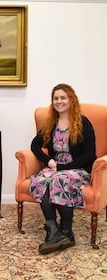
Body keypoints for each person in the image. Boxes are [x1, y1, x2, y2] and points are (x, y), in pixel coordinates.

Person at [29, 83, 96, 255]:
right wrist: (49, 161)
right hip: (56, 167)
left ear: (71, 100)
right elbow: (35, 145)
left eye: (63, 98)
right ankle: (54, 231)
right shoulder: (52, 123)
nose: (59, 101)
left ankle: (66, 231)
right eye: (56, 98)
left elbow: (89, 154)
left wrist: (64, 167)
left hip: (78, 169)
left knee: (59, 179)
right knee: (41, 180)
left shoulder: (83, 122)